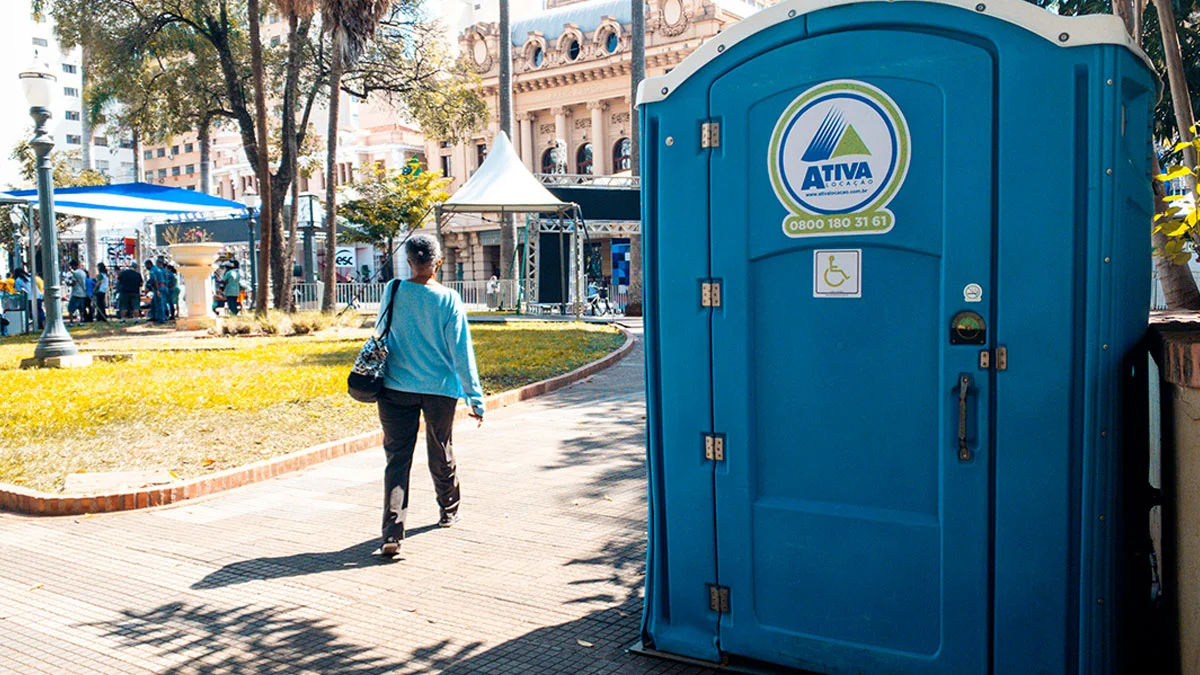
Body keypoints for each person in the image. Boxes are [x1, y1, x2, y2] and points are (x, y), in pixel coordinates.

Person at [373, 233, 485, 558]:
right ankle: (449, 510)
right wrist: (474, 399)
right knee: (440, 448)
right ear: (438, 263)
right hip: (440, 389)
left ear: (408, 261)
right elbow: (461, 353)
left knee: (397, 460)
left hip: (395, 388)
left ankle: (392, 533)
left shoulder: (393, 290)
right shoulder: (449, 299)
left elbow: (380, 333)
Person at [143, 259, 167, 323]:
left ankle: (161, 319)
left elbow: (155, 280)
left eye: (146, 266)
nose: (146, 267)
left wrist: (157, 290)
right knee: (154, 303)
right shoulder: (157, 269)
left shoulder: (152, 271)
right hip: (163, 286)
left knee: (159, 304)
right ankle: (154, 317)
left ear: (149, 264)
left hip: (158, 288)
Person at [66, 259, 88, 324]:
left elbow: (74, 283)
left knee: (71, 308)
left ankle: (71, 322)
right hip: (83, 293)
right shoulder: (83, 272)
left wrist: (68, 284)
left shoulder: (75, 273)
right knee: (81, 309)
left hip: (76, 293)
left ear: (73, 266)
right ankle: (81, 321)